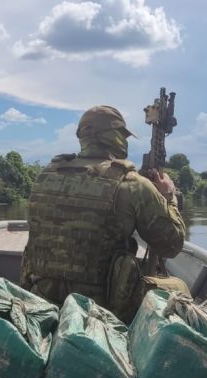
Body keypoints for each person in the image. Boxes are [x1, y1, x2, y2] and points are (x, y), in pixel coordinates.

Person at [20, 105, 186, 313]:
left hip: (40, 297)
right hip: (101, 307)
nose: (125, 141)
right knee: (180, 288)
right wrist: (170, 198)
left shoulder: (45, 176)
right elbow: (171, 245)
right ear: (113, 137)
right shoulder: (131, 183)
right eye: (123, 136)